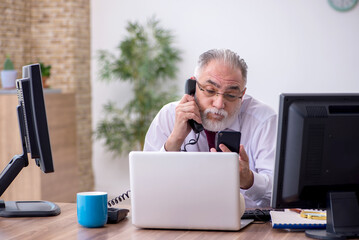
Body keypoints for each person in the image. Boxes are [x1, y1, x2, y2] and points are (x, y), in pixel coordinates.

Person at [143, 49, 277, 208]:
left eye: (231, 95)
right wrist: (175, 140)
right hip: (182, 221)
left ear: (243, 94)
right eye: (210, 90)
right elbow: (146, 188)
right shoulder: (168, 116)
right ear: (192, 86)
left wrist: (249, 181)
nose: (219, 104)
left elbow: (282, 195)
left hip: (252, 226)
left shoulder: (264, 121)